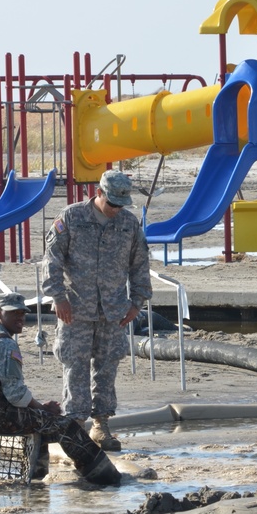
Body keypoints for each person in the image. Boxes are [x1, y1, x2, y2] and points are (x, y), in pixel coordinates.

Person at [0, 291, 120, 485]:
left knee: (40, 423)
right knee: (66, 426)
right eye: (14, 313)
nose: (21, 318)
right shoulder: (5, 344)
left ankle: (36, 481)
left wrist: (39, 411)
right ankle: (106, 477)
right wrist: (42, 408)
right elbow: (16, 395)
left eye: (23, 313)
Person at [42, 169, 152, 452]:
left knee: (107, 367)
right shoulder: (71, 218)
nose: (116, 210)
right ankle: (75, 427)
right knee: (75, 367)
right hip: (75, 309)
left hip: (113, 310)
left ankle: (101, 426)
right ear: (99, 194)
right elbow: (52, 260)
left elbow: (140, 264)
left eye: (121, 204)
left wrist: (137, 303)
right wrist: (58, 297)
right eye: (112, 203)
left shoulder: (129, 224)